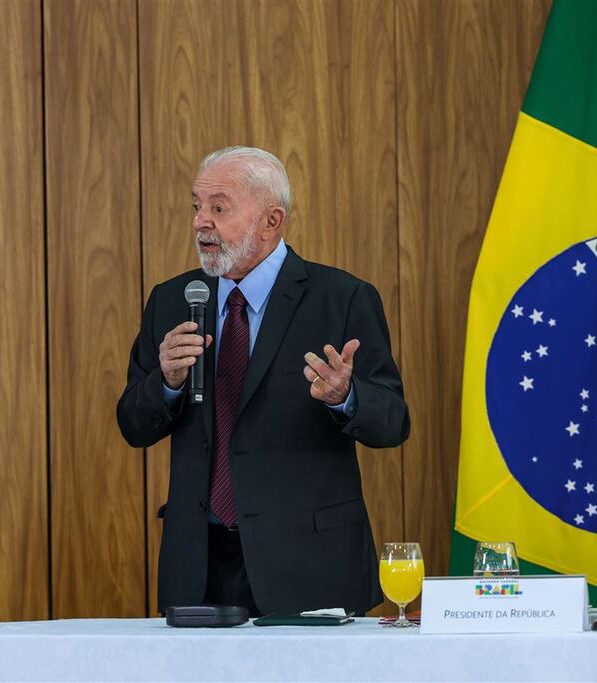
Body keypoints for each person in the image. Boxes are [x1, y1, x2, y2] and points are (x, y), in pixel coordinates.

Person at [117, 146, 410, 616]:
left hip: (308, 564)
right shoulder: (172, 300)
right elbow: (133, 425)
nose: (200, 222)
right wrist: (166, 382)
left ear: (272, 221)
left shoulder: (343, 298)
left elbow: (393, 422)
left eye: (218, 206)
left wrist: (345, 397)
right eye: (196, 206)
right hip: (198, 566)